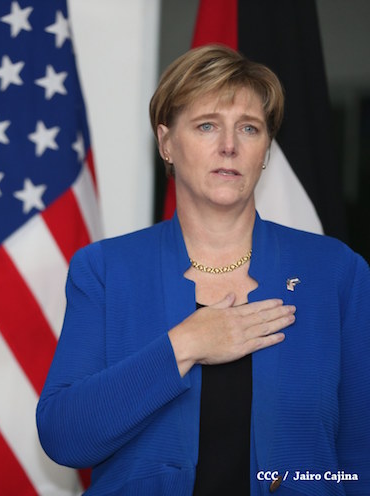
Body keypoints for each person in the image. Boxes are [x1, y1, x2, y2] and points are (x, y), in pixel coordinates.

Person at [36, 44, 370, 495]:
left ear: (265, 149)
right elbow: (63, 436)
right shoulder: (105, 271)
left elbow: (359, 459)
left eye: (248, 128)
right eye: (207, 125)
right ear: (166, 143)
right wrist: (186, 344)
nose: (229, 146)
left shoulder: (336, 272)